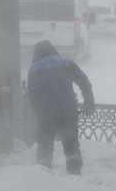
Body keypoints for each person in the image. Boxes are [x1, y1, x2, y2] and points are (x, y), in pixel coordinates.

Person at [27, 40, 95, 174]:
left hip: (46, 114)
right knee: (71, 146)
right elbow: (84, 81)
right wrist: (88, 102)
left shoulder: (33, 69)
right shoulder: (66, 63)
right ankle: (75, 173)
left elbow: (31, 94)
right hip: (67, 111)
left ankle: (42, 175)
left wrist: (39, 112)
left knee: (44, 149)